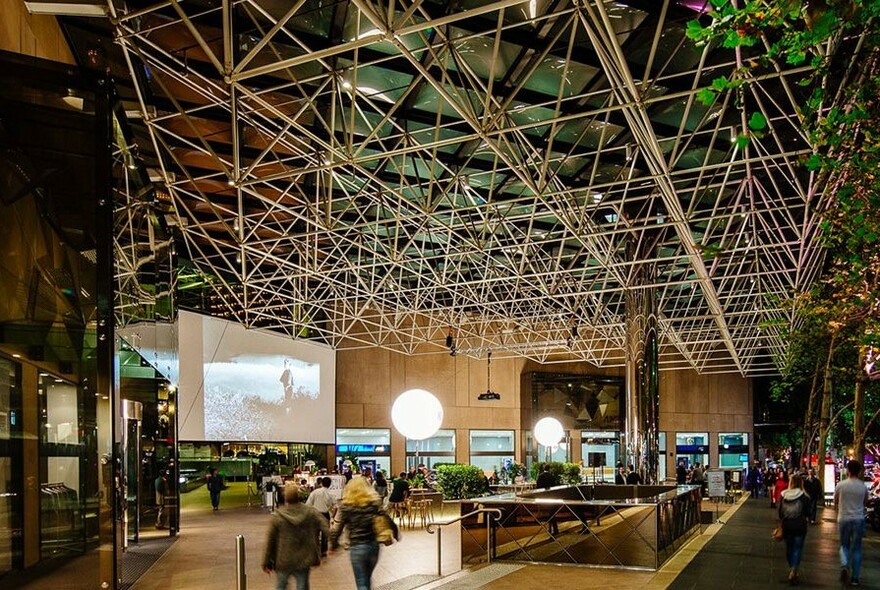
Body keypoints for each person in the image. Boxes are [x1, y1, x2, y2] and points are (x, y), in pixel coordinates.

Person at [329, 477, 395, 590]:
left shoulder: (346, 507)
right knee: (367, 578)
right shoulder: (374, 504)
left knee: (362, 582)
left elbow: (338, 528)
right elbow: (386, 518)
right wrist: (395, 532)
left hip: (357, 547)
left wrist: (333, 545)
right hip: (373, 546)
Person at [262, 485, 329, 590]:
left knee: (281, 586)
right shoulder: (310, 512)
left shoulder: (278, 516)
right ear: (299, 496)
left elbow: (270, 540)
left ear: (285, 498)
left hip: (283, 559)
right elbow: (325, 526)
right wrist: (332, 543)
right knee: (302, 586)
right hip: (303, 558)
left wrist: (266, 562)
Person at [834, 459, 868, 586]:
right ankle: (855, 578)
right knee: (857, 548)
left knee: (844, 545)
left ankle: (844, 564)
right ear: (859, 472)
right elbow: (865, 501)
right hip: (858, 519)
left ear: (847, 470)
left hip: (844, 518)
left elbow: (835, 501)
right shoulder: (863, 486)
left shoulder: (841, 485)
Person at [778, 473, 811, 585]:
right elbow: (808, 512)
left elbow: (780, 513)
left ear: (791, 483)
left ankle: (792, 567)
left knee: (789, 548)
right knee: (797, 548)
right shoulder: (804, 496)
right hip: (800, 525)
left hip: (787, 525)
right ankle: (793, 570)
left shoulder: (784, 495)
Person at [305, 476, 336, 557]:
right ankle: (324, 551)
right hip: (325, 515)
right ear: (330, 485)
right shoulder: (331, 494)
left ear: (321, 483)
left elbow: (308, 504)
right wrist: (333, 516)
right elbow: (335, 507)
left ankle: (315, 551)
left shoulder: (315, 492)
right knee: (325, 534)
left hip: (315, 514)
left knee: (315, 533)